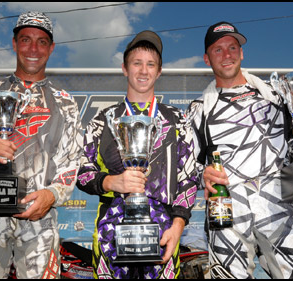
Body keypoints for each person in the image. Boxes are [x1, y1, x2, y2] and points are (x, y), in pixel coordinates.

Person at [0, 11, 83, 279]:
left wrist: (52, 195)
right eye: (25, 40)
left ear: (52, 48)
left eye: (42, 41)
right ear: (14, 43)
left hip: (40, 218)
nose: (33, 49)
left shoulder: (65, 102)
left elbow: (72, 159)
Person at [186, 21, 293, 279]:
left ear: (242, 53)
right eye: (218, 50)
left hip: (278, 207)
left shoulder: (275, 96)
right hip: (227, 213)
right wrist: (203, 175)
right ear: (206, 59)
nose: (227, 55)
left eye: (232, 47)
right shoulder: (198, 109)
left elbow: (291, 156)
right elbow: (188, 167)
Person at [76, 30, 199, 279]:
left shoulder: (178, 119)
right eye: (137, 63)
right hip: (111, 231)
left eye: (151, 64)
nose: (144, 71)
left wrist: (177, 227)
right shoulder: (104, 119)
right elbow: (81, 172)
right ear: (124, 68)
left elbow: (189, 178)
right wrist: (111, 181)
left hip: (163, 232)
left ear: (159, 71)